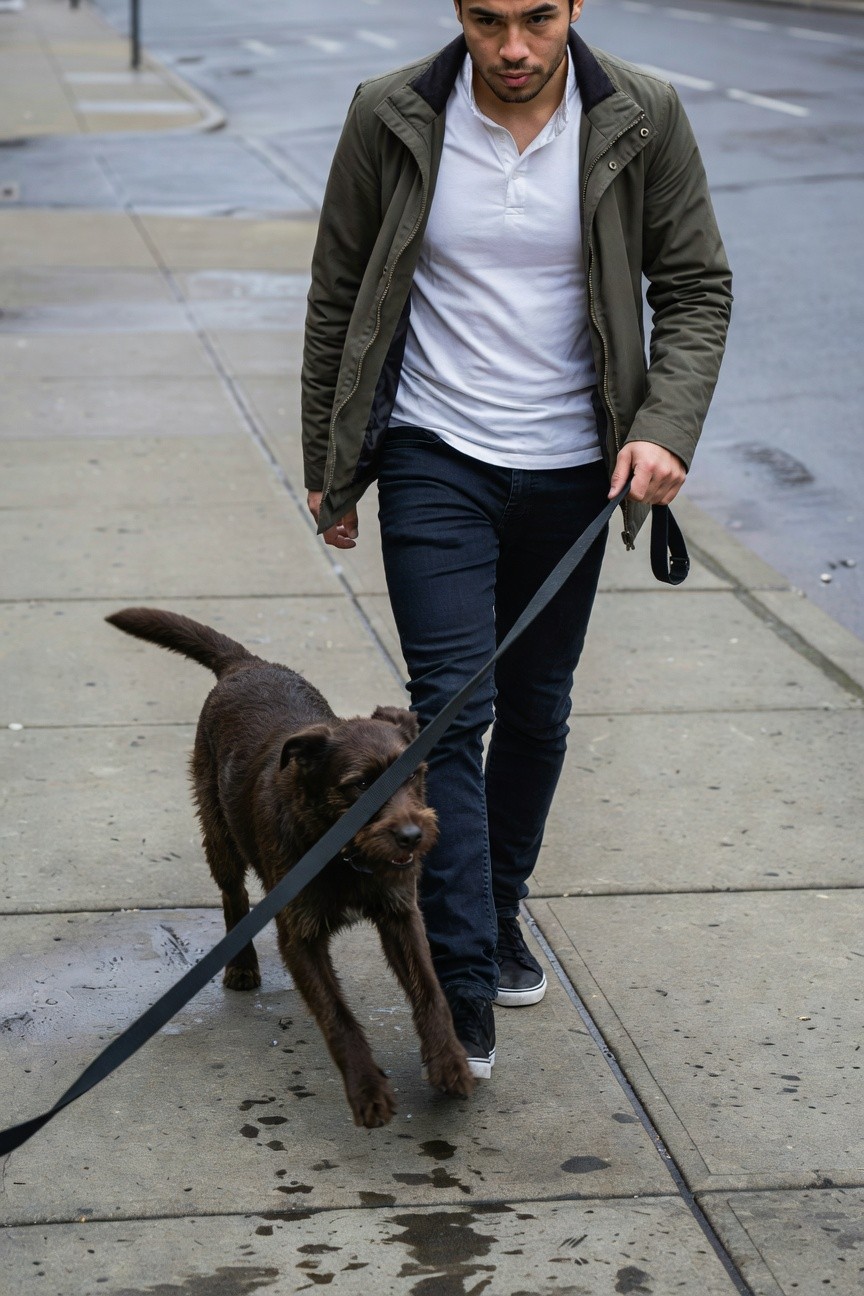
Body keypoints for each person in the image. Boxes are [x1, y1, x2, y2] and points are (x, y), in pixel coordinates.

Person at [302, 0, 732, 1078]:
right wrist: (332, 463)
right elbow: (339, 292)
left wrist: (665, 428)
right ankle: (459, 976)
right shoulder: (391, 113)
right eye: (487, 19)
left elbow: (694, 287)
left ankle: (498, 907)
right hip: (433, 451)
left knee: (538, 706)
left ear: (575, 7)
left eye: (538, 17)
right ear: (457, 11)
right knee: (451, 710)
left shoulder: (642, 115)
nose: (512, 48)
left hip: (576, 466)